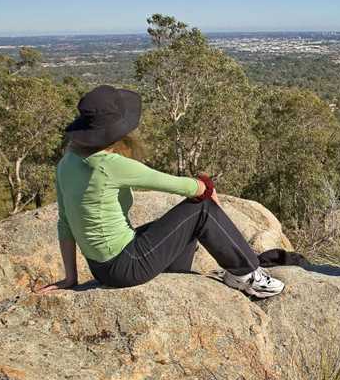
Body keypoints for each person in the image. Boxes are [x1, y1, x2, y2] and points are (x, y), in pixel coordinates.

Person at [37, 85, 285, 298]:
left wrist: (71, 277)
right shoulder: (109, 165)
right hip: (126, 266)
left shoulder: (66, 163)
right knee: (200, 209)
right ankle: (248, 276)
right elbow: (180, 186)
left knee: (178, 227)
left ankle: (178, 277)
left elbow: (65, 223)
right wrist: (205, 184)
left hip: (101, 268)